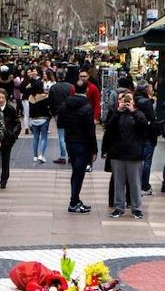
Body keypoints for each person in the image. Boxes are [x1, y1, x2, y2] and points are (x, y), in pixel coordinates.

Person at [102, 89, 150, 220]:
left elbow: (144, 126)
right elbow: (109, 128)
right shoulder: (115, 114)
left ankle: (136, 208)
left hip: (134, 154)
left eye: (129, 99)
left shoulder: (138, 113)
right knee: (118, 183)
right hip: (117, 154)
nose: (126, 102)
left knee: (135, 183)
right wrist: (118, 111)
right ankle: (119, 207)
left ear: (134, 102)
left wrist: (133, 111)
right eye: (123, 99)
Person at [60, 89, 96, 213]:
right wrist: (94, 149)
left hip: (70, 142)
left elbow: (60, 123)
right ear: (86, 91)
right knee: (79, 174)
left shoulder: (65, 105)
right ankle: (74, 202)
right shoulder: (87, 107)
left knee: (75, 171)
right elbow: (91, 130)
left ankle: (75, 200)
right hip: (83, 143)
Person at [135, 82, 159, 196]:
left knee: (141, 160)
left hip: (139, 134)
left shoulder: (137, 99)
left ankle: (138, 184)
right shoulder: (146, 102)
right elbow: (151, 120)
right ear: (145, 89)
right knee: (146, 161)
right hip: (148, 135)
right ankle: (144, 185)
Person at [48, 69, 74, 162]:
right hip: (70, 114)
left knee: (61, 135)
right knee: (70, 135)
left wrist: (53, 113)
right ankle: (71, 156)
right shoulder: (71, 87)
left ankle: (63, 156)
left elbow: (50, 102)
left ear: (57, 76)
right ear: (65, 75)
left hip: (58, 114)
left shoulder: (53, 88)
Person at [0, 89, 20, 190]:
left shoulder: (10, 109)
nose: (1, 100)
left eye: (2, 98)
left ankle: (4, 180)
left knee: (5, 160)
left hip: (7, 139)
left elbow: (17, 123)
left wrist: (13, 135)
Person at [27, 76, 51, 164]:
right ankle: (42, 155)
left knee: (35, 138)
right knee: (44, 137)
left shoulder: (30, 97)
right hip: (44, 119)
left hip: (34, 120)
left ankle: (35, 156)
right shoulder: (45, 96)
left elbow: (29, 110)